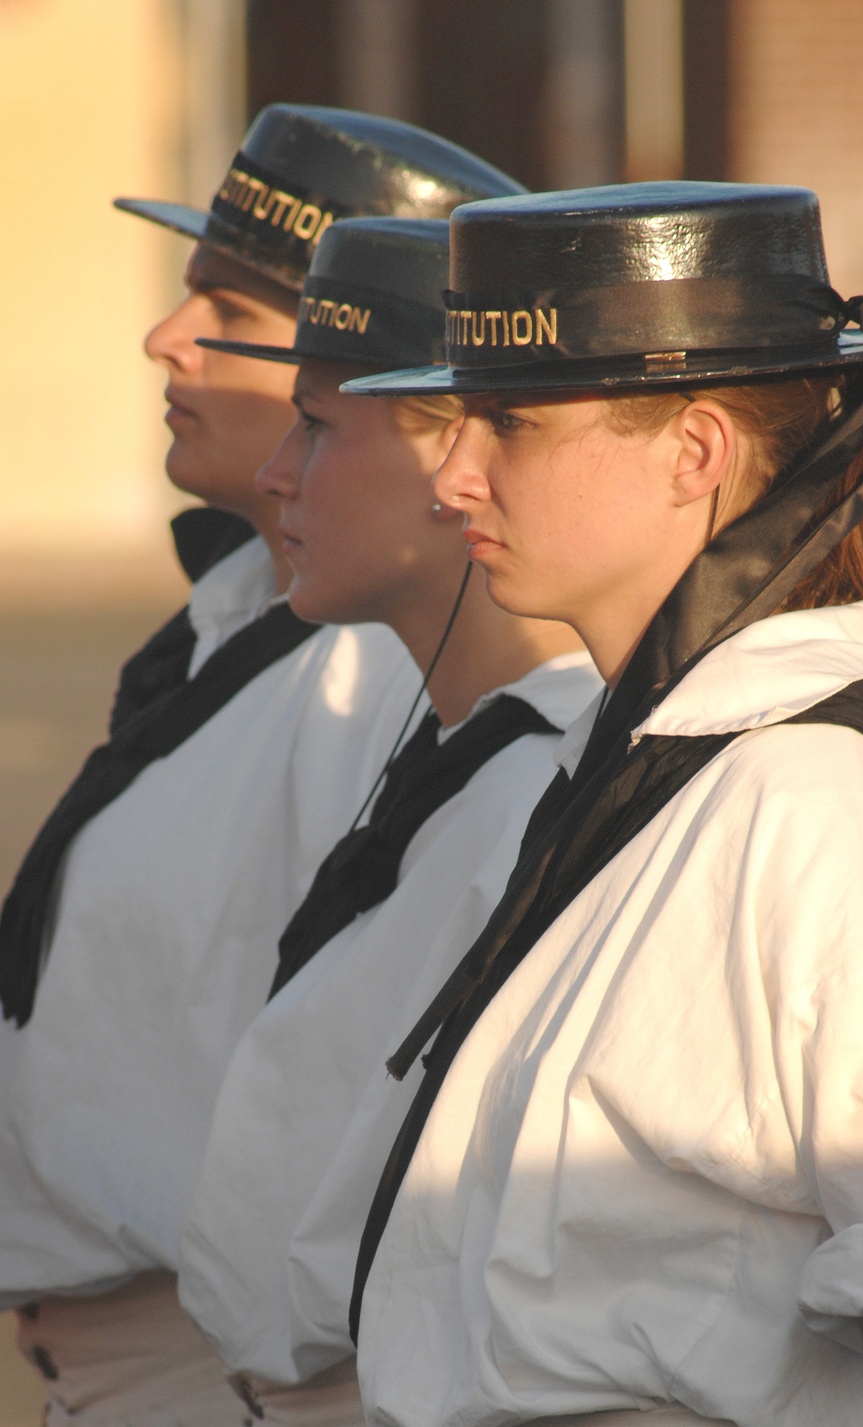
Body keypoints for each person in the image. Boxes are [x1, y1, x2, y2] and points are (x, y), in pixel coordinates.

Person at [342, 184, 863, 1427]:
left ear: (694, 449)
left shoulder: (823, 801)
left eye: (511, 427)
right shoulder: (652, 770)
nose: (454, 478)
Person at [0, 108, 525, 1426]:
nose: (163, 339)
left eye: (225, 305)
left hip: (235, 1376)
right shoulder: (246, 605)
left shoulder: (382, 662)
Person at [174, 214, 600, 1427]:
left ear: (449, 457)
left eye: (318, 423)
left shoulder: (544, 783)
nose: (276, 475)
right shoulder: (461, 746)